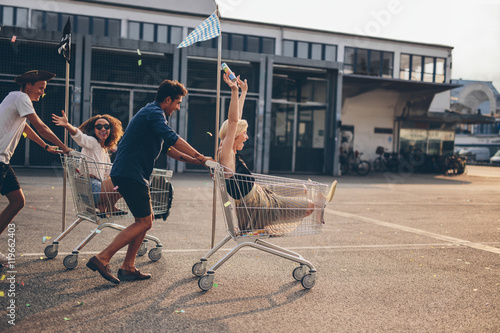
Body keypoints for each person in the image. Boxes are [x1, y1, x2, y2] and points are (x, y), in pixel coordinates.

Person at [86, 79, 212, 284]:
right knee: (144, 221)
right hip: (130, 173)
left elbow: (167, 148)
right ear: (168, 99)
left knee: (146, 219)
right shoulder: (154, 113)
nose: (178, 107)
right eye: (177, 103)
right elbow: (171, 138)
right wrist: (200, 154)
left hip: (129, 173)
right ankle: (102, 257)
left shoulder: (152, 114)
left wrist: (194, 160)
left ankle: (128, 267)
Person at [218, 72, 336, 234]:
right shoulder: (226, 155)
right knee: (309, 207)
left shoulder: (228, 149)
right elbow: (233, 122)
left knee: (301, 187)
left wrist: (243, 92)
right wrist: (234, 91)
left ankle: (318, 200)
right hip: (258, 207)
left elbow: (235, 120)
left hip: (259, 194)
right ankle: (318, 205)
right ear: (235, 135)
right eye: (244, 133)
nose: (247, 137)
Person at [0, 70, 72, 265]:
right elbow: (41, 127)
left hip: (3, 161)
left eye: (44, 89)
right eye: (40, 88)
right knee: (17, 201)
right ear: (28, 85)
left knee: (18, 201)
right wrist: (65, 148)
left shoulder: (15, 99)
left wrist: (46, 146)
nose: (42, 92)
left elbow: (26, 128)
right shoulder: (21, 97)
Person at [52, 112, 124, 217]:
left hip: (96, 189)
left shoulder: (104, 151)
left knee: (124, 183)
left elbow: (109, 174)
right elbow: (81, 138)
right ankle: (106, 206)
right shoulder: (92, 142)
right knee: (126, 182)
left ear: (111, 130)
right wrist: (67, 125)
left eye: (106, 126)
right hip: (91, 188)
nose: (103, 129)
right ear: (93, 130)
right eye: (99, 127)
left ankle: (107, 207)